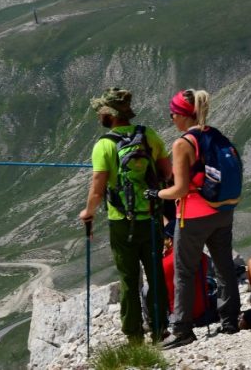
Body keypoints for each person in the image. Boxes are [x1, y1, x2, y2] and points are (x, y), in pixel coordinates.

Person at [79, 87, 171, 344]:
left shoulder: (104, 146)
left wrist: (88, 212)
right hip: (152, 218)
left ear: (109, 114)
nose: (99, 116)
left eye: (101, 112)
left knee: (129, 278)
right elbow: (166, 172)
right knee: (155, 274)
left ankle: (133, 335)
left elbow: (98, 186)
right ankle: (160, 328)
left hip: (122, 222)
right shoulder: (148, 135)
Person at [158, 89, 242, 349]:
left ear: (183, 115)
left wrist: (157, 192)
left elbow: (180, 190)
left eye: (173, 113)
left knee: (184, 272)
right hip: (223, 211)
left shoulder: (183, 143)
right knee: (224, 266)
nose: (171, 118)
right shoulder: (214, 134)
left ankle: (182, 329)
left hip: (193, 216)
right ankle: (229, 321)